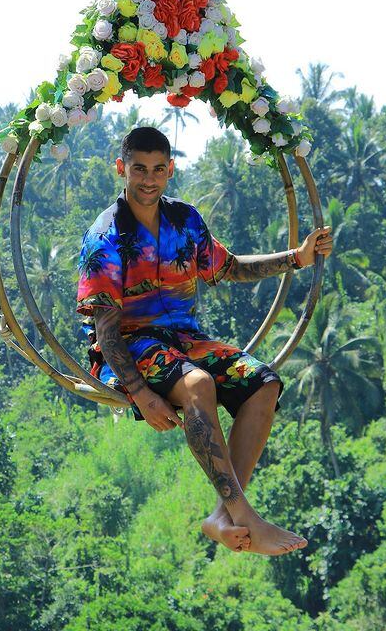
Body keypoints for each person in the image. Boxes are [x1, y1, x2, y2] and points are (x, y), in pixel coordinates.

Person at [76, 127, 333, 555]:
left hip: (184, 341)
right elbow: (105, 330)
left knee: (263, 383)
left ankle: (220, 515)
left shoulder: (186, 219)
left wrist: (296, 259)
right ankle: (245, 515)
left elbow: (227, 267)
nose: (149, 179)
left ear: (170, 170)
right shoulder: (105, 236)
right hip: (131, 346)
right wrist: (140, 393)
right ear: (121, 169)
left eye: (159, 169)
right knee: (198, 385)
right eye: (139, 169)